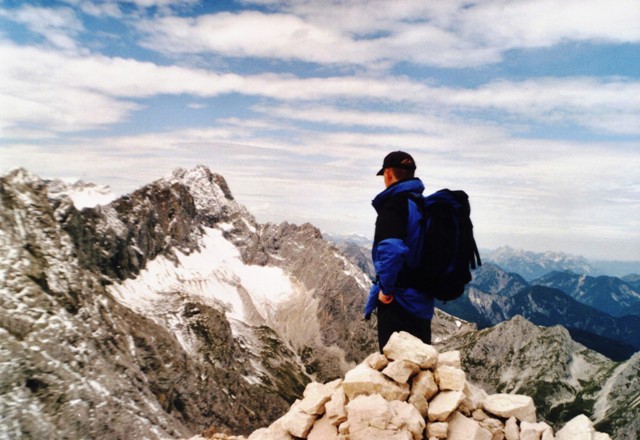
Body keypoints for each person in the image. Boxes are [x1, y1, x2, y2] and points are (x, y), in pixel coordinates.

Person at [364, 151, 434, 352]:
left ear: (387, 173)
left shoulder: (394, 205)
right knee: (419, 366)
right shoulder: (423, 205)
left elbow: (391, 250)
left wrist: (386, 290)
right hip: (423, 301)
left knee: (396, 368)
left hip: (400, 301)